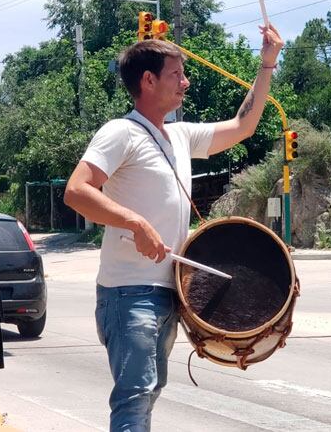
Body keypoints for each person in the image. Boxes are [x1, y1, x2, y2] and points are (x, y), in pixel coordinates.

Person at [64, 24, 284, 432]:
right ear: (147, 81)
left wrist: (267, 63)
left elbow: (243, 125)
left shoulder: (180, 136)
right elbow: (76, 191)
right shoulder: (120, 132)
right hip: (128, 294)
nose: (185, 82)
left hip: (166, 293)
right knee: (134, 402)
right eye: (175, 75)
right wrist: (133, 220)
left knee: (145, 397)